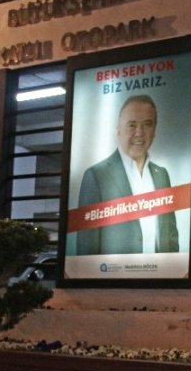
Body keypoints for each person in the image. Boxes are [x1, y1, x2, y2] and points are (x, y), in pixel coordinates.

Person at [75, 94, 179, 255]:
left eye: (147, 124)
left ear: (155, 130)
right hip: (112, 278)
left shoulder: (162, 175)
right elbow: (87, 246)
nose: (139, 132)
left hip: (158, 277)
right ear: (118, 130)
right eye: (132, 125)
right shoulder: (96, 176)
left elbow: (171, 235)